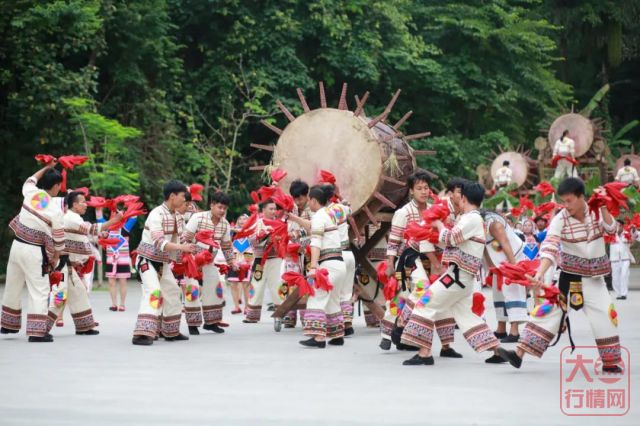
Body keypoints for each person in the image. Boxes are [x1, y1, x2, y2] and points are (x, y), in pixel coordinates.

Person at [498, 178, 623, 373]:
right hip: (569, 279)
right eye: (563, 201)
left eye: (569, 200)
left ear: (582, 197)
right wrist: (540, 272)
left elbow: (612, 230)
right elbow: (550, 246)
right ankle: (518, 353)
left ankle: (610, 361)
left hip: (595, 281)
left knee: (606, 316)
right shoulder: (560, 219)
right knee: (546, 313)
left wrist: (605, 206)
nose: (565, 205)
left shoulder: (597, 211)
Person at [401, 182, 513, 366]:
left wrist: (437, 224)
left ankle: (424, 353)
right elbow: (452, 242)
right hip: (461, 278)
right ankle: (497, 350)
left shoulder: (471, 219)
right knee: (467, 318)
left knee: (423, 304)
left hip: (455, 278)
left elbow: (451, 238)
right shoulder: (471, 219)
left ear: (464, 198)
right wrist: (436, 231)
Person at [383, 172, 460, 358]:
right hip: (409, 259)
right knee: (412, 293)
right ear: (411, 191)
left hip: (435, 258)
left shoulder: (436, 210)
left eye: (426, 188)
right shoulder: (403, 213)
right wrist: (390, 264)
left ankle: (446, 346)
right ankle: (393, 329)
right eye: (419, 188)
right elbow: (393, 241)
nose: (424, 192)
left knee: (442, 298)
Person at [1, 162, 65, 342]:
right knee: (40, 289)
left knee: (13, 285)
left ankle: (8, 325)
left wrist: (46, 167)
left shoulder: (31, 193)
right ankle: (37, 332)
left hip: (16, 246)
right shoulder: (54, 209)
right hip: (34, 251)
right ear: (56, 186)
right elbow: (59, 240)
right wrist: (55, 258)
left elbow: (31, 179)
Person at [46, 191, 121, 336]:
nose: (86, 205)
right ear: (74, 205)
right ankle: (41, 328)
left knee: (79, 292)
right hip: (61, 264)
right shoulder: (71, 218)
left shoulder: (75, 218)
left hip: (67, 264)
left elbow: (87, 233)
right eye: (83, 202)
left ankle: (84, 326)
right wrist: (115, 220)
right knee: (60, 295)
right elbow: (92, 229)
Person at [131, 180, 196, 346]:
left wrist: (189, 251)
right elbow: (159, 242)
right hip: (147, 260)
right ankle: (141, 334)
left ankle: (170, 331)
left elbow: (180, 238)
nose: (184, 200)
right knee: (154, 292)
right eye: (183, 196)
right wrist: (183, 247)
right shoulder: (156, 214)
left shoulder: (176, 215)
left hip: (162, 262)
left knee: (173, 291)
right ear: (172, 196)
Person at [181, 190, 235, 335]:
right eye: (219, 207)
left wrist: (232, 262)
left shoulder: (225, 224)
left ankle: (211, 323)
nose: (222, 210)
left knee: (215, 288)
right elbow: (184, 238)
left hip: (209, 261)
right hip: (192, 260)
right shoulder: (198, 218)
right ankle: (192, 324)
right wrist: (187, 256)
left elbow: (227, 247)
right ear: (212, 205)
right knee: (193, 290)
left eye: (224, 208)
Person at [299, 185, 347, 348]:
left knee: (317, 297)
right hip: (339, 264)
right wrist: (293, 218)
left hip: (328, 265)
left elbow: (316, 242)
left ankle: (318, 337)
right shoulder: (330, 213)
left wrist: (313, 267)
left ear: (312, 200)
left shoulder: (319, 216)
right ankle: (337, 334)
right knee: (333, 299)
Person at [481, 210, 528, 357]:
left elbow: (505, 243)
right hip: (499, 262)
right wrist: (491, 269)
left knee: (512, 292)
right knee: (498, 294)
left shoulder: (494, 223)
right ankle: (501, 328)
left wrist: (514, 267)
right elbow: (485, 249)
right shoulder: (477, 227)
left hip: (513, 257)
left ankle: (514, 331)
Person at [243, 200, 285, 323]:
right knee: (256, 285)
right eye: (270, 209)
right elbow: (250, 240)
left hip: (276, 259)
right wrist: (262, 236)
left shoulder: (280, 223)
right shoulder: (257, 224)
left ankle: (281, 313)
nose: (273, 211)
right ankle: (252, 315)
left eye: (274, 209)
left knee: (277, 284)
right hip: (259, 259)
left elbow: (284, 240)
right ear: (263, 210)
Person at [96, 208, 136, 312]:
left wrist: (128, 204)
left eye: (118, 213)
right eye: (114, 213)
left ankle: (122, 304)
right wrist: (98, 207)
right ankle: (113, 304)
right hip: (111, 259)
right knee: (111, 282)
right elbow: (99, 218)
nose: (116, 215)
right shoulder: (107, 228)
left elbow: (134, 216)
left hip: (123, 260)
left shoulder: (125, 228)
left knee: (123, 282)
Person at [227, 214, 252, 314]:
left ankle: (247, 306)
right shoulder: (232, 233)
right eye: (240, 218)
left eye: (245, 219)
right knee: (233, 284)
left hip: (247, 261)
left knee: (246, 284)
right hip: (234, 260)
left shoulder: (251, 232)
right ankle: (236, 306)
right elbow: (227, 245)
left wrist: (249, 261)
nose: (242, 220)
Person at [610, 219, 638, 300]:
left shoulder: (627, 234)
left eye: (618, 225)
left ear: (622, 226)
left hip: (625, 258)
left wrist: (633, 232)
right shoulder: (611, 234)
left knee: (624, 275)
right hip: (614, 259)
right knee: (615, 277)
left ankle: (623, 294)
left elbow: (633, 239)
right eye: (615, 225)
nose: (616, 227)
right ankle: (618, 293)